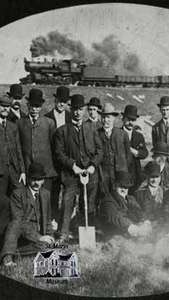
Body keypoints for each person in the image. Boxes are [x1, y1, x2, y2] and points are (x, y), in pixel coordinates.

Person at [53, 94, 104, 242]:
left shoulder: (91, 129)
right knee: (68, 202)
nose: (77, 112)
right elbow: (59, 153)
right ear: (71, 109)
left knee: (88, 204)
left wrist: (93, 165)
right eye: (74, 109)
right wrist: (72, 165)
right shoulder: (62, 131)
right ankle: (63, 233)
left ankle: (83, 232)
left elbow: (99, 151)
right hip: (71, 174)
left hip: (89, 174)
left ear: (84, 110)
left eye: (80, 109)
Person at [0, 163, 54, 267]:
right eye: (34, 179)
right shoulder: (17, 194)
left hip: (37, 237)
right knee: (14, 224)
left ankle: (10, 253)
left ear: (43, 180)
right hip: (20, 235)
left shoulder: (46, 194)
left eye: (39, 180)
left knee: (49, 247)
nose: (36, 183)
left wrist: (50, 237)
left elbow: (47, 220)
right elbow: (19, 221)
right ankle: (7, 257)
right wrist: (39, 237)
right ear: (28, 179)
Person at [17, 88, 57, 195]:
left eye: (38, 106)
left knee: (45, 199)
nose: (35, 109)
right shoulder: (20, 123)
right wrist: (22, 170)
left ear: (41, 107)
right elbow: (18, 148)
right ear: (28, 105)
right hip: (28, 170)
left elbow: (54, 146)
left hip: (46, 171)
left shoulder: (49, 123)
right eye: (32, 106)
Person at [45, 86, 72, 226]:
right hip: (53, 163)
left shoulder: (70, 117)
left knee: (68, 194)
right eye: (60, 101)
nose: (62, 104)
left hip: (67, 162)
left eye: (65, 101)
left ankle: (65, 223)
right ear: (55, 100)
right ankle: (53, 220)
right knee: (54, 193)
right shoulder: (47, 117)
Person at [100, 171, 150, 239]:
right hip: (114, 235)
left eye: (126, 187)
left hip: (130, 233)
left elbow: (138, 211)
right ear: (115, 185)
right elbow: (116, 217)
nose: (124, 190)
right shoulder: (108, 201)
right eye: (121, 187)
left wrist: (145, 221)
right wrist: (132, 227)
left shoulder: (130, 198)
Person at [98, 103, 132, 194]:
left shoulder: (122, 134)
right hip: (103, 175)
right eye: (103, 117)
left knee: (119, 198)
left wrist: (123, 169)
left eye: (108, 117)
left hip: (119, 174)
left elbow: (128, 156)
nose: (105, 120)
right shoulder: (96, 134)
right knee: (104, 198)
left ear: (114, 118)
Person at [121, 105, 149, 194]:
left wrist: (135, 152)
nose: (131, 123)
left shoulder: (138, 136)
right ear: (123, 118)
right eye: (128, 119)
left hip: (135, 174)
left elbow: (145, 153)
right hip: (121, 173)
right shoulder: (116, 133)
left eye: (133, 120)